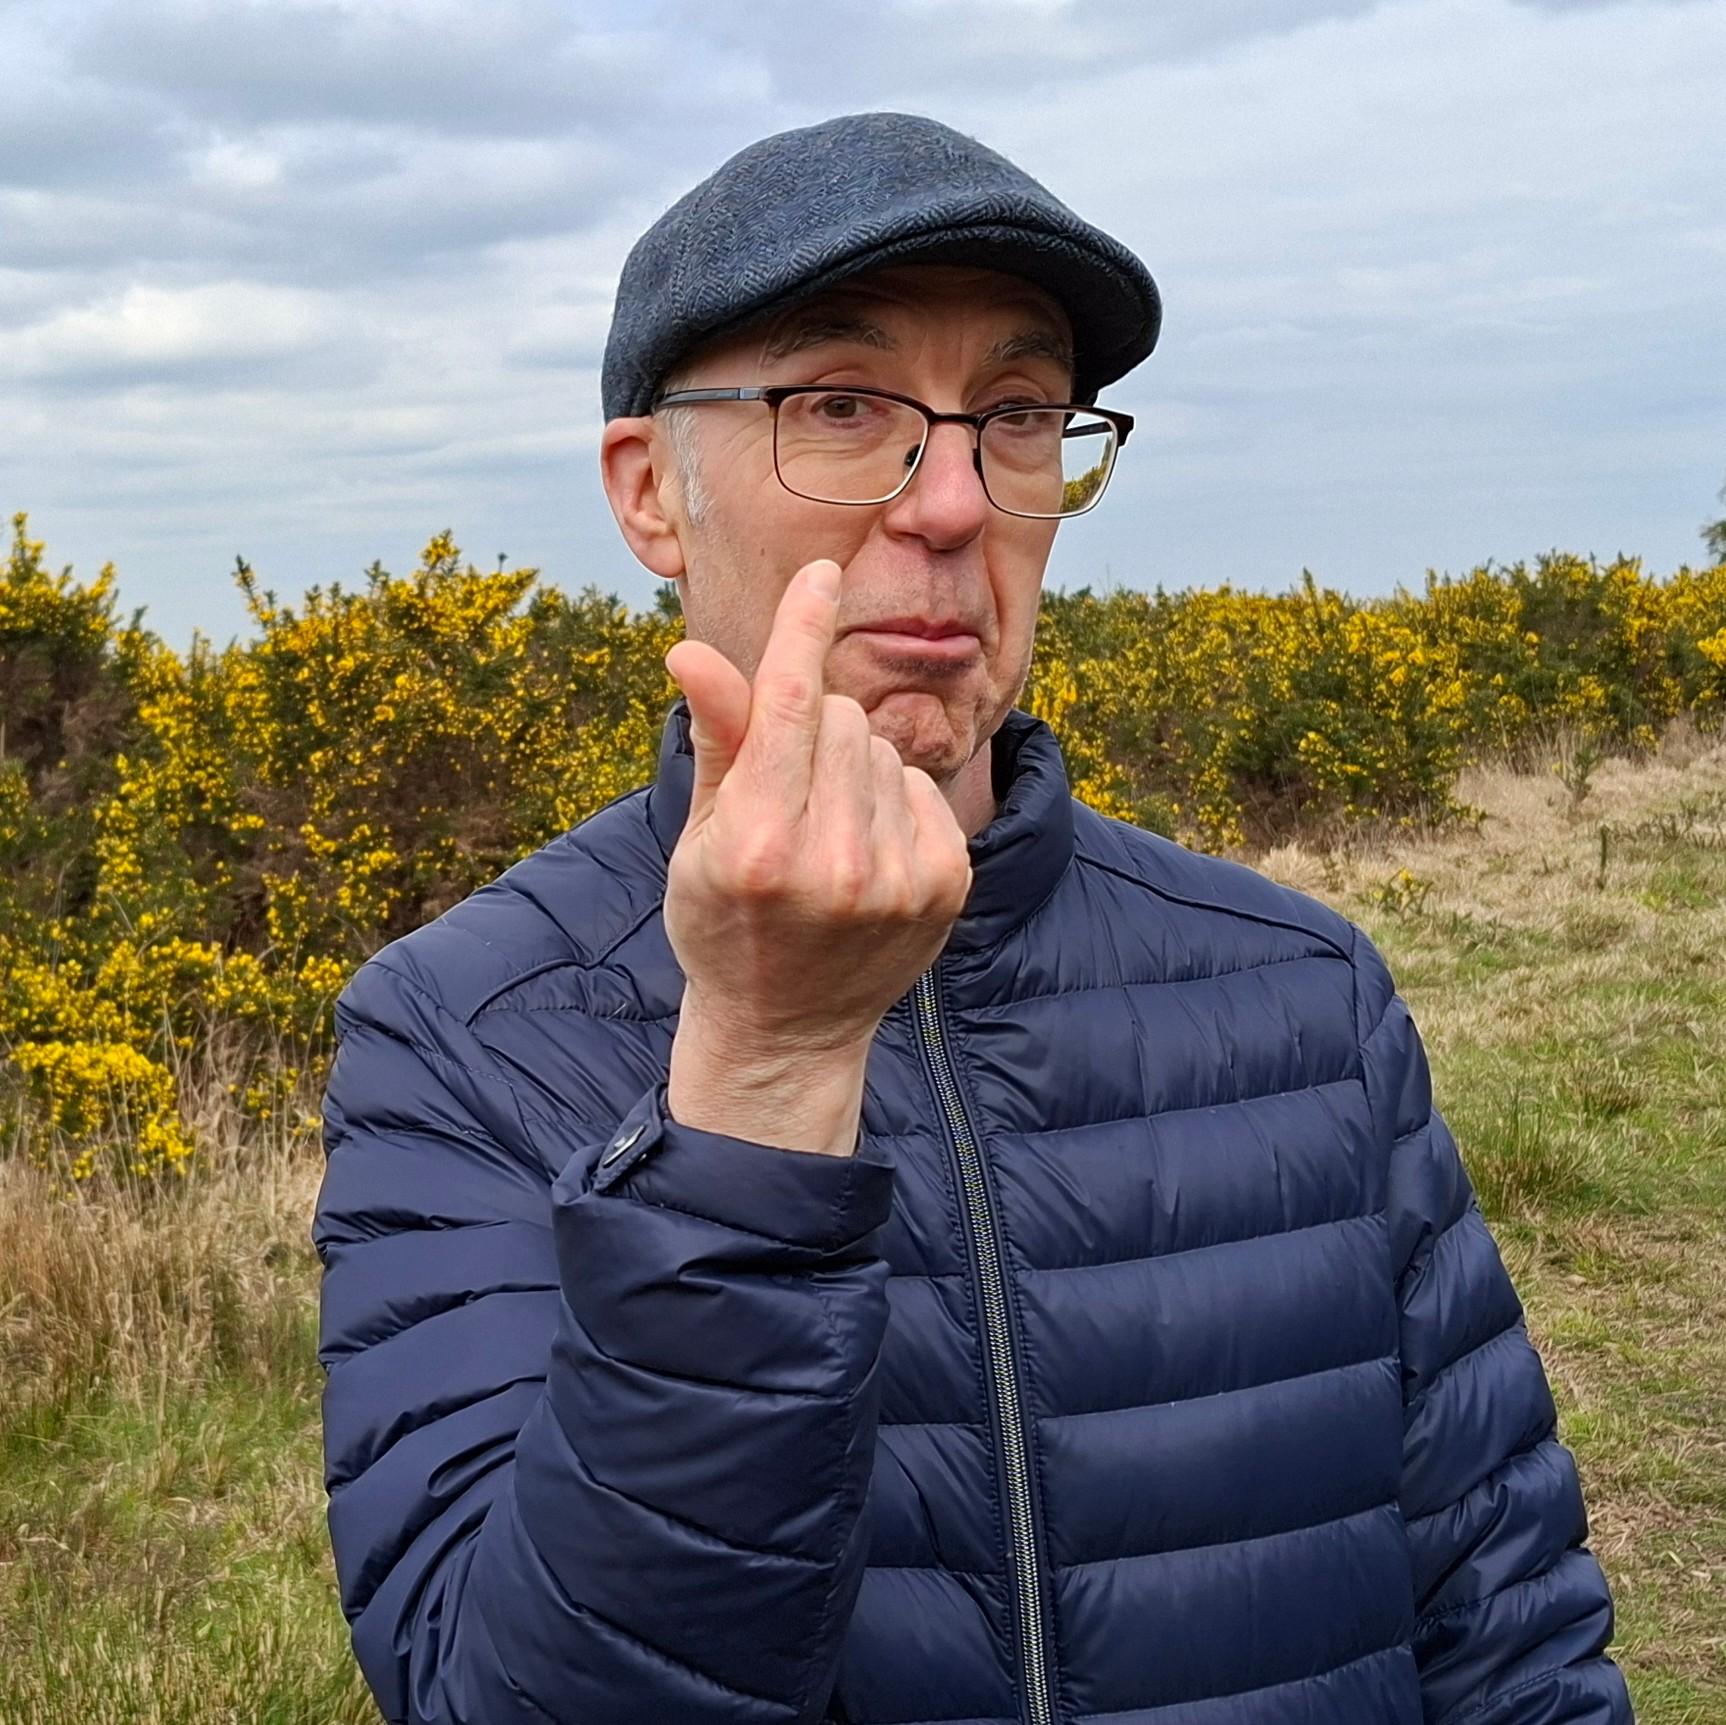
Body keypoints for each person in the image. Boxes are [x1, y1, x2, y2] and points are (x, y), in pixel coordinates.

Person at [313, 110, 1633, 1725]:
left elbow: (1512, 1646)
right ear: (650, 493)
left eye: (1015, 416)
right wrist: (762, 1078)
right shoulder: (460, 1034)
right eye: (841, 405)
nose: (950, 503)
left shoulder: (1304, 996)